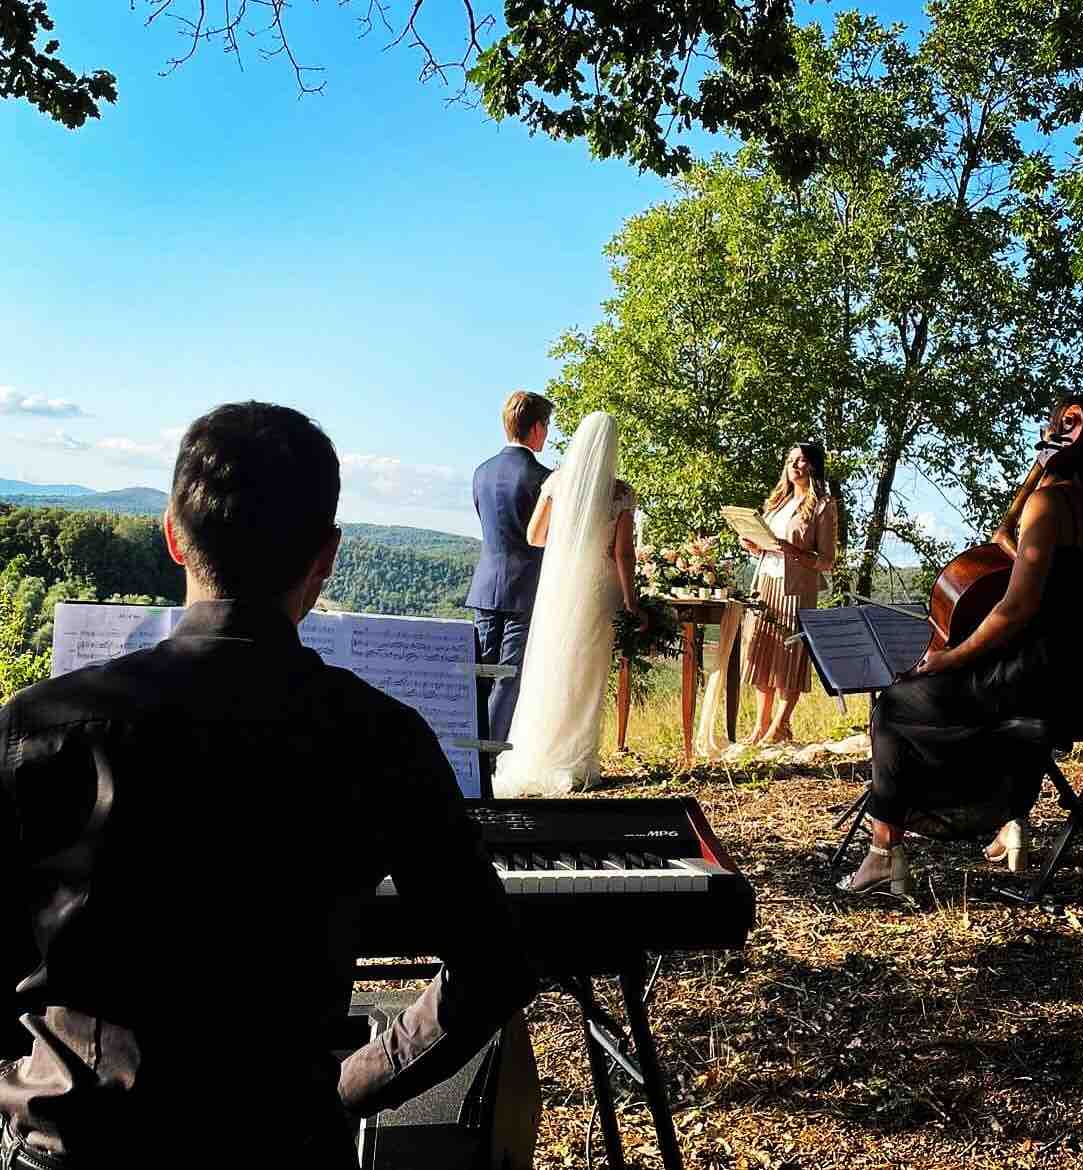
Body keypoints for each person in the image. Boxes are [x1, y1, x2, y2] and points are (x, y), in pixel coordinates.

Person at [0, 402, 535, 1169]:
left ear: (173, 537)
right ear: (326, 557)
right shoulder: (382, 737)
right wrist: (345, 1087)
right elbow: (493, 968)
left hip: (71, 1148)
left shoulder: (38, 726)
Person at [839, 394, 1083, 895]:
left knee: (896, 703)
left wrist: (948, 658)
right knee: (992, 712)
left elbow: (1015, 609)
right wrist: (1082, 649)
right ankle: (1010, 819)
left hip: (1034, 674)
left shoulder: (1051, 503)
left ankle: (882, 853)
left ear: (1067, 435)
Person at [493, 411, 645, 797]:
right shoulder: (620, 493)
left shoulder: (557, 482)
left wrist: (569, 543)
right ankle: (578, 761)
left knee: (549, 666)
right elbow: (624, 553)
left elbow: (535, 536)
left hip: (559, 585)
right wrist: (632, 601)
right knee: (586, 674)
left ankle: (537, 754)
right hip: (597, 588)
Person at [466, 391, 554, 745]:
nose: (546, 434)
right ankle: (489, 753)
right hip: (526, 587)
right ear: (535, 428)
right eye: (546, 426)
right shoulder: (545, 478)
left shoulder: (481, 472)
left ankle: (471, 747)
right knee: (509, 675)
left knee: (483, 671)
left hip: (486, 585)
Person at [738, 442, 838, 744]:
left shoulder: (823, 505)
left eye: (802, 460)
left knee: (789, 655)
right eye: (791, 460)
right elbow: (770, 547)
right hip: (766, 582)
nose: (795, 465)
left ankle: (780, 724)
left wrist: (794, 551)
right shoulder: (777, 503)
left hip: (796, 589)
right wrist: (756, 547)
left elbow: (826, 561)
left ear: (814, 467)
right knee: (761, 652)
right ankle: (761, 725)